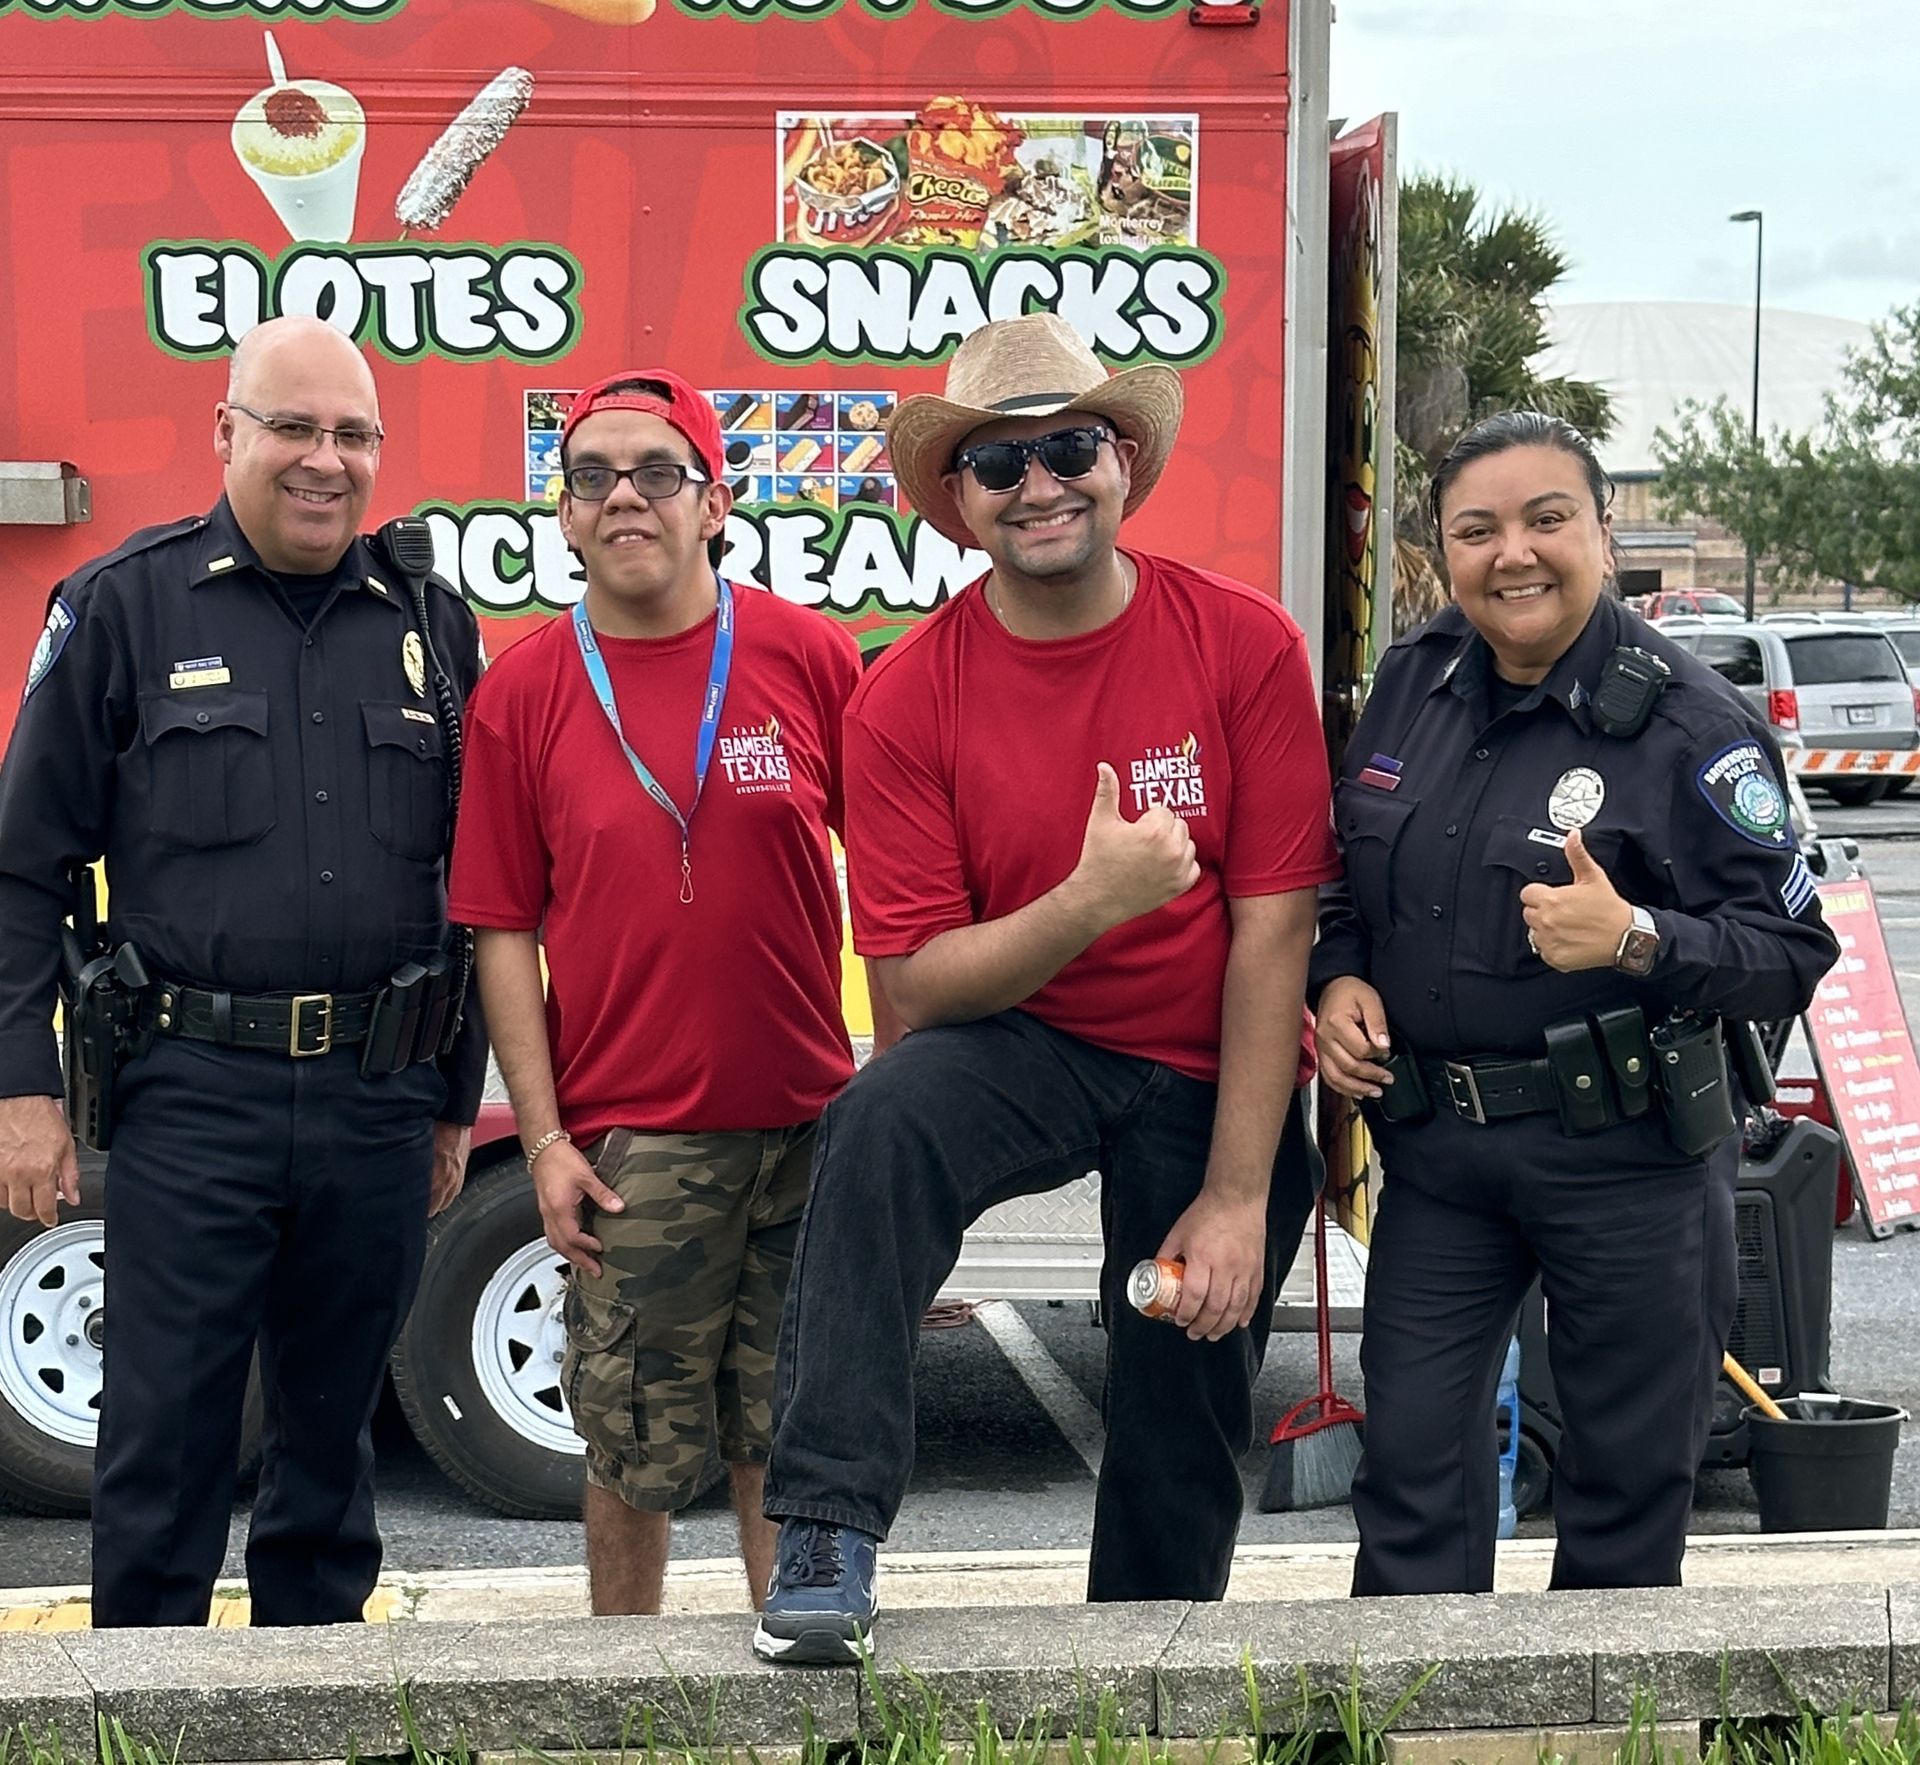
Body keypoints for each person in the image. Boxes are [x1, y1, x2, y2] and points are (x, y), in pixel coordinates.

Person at [753, 313, 1340, 1665]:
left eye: (1069, 447)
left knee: (1185, 1349)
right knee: (882, 1117)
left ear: (1122, 460)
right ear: (960, 504)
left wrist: (1240, 1196)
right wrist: (1090, 900)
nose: (1040, 485)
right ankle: (829, 1529)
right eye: (999, 466)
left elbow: (1272, 934)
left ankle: (1146, 1659)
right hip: (1030, 1036)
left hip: (1206, 1056)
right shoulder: (906, 699)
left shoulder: (1243, 644)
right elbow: (916, 981)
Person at [0, 315, 485, 1627]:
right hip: (193, 1095)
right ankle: (149, 1725)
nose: (324, 459)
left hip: (378, 1099)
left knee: (331, 1468)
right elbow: (21, 868)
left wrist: (453, 1097)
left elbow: (473, 887)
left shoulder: (433, 625)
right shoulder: (124, 607)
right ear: (226, 436)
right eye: (292, 427)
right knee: (163, 1451)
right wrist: (23, 1091)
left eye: (353, 434)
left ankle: (309, 1714)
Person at [1312, 411, 1839, 1595]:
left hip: (1628, 1157)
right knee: (1408, 1471)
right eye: (1478, 528)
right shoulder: (1416, 675)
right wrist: (1337, 973)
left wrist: (1640, 937)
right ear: (1443, 547)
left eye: (1548, 519)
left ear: (1603, 529)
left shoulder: (1695, 724)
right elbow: (1345, 871)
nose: (1516, 554)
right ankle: (1413, 1724)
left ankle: (1597, 1725)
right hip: (1442, 1151)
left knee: (1625, 1481)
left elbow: (1792, 948)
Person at [448, 370, 861, 1615]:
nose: (625, 494)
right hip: (638, 1145)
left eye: (657, 472)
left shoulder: (809, 654)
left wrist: (898, 1094)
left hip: (811, 1126)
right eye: (593, 477)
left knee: (783, 1444)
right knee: (630, 1451)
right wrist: (552, 1138)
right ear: (565, 517)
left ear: (714, 501)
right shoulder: (522, 692)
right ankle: (628, 1716)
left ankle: (785, 1695)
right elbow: (502, 931)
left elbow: (901, 878)